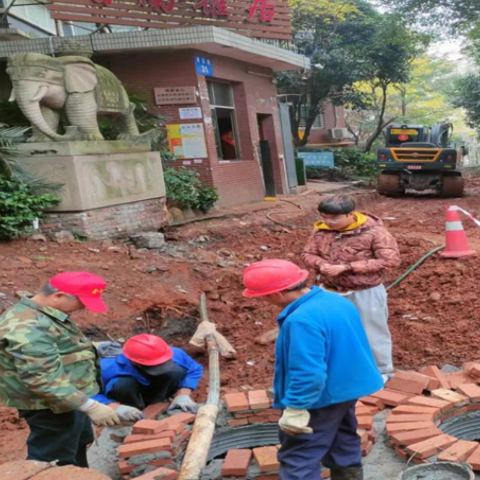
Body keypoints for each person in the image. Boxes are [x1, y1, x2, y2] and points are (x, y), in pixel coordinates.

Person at [243, 259, 383, 480]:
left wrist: (296, 408)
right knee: (342, 439)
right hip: (346, 388)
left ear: (276, 294)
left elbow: (308, 372)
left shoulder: (300, 320)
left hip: (321, 397)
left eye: (262, 297)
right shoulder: (335, 301)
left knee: (299, 456)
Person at [0, 272, 142, 468]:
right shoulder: (29, 326)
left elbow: (54, 349)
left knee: (77, 445)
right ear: (58, 295)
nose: (83, 308)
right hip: (50, 405)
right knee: (53, 459)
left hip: (70, 398)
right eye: (81, 302)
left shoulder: (46, 314)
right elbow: (43, 380)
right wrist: (91, 406)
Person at [302, 195, 400, 380]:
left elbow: (390, 260)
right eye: (323, 217)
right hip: (329, 290)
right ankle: (340, 370)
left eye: (334, 218)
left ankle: (382, 371)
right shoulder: (320, 231)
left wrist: (347, 268)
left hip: (365, 290)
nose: (328, 222)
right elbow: (307, 253)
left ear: (350, 215)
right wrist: (320, 264)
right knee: (332, 331)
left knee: (372, 330)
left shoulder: (374, 232)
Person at [93, 333, 203, 413]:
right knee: (122, 385)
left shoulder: (173, 353)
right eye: (153, 366)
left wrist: (183, 393)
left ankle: (158, 403)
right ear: (134, 362)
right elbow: (87, 394)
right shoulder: (107, 367)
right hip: (127, 396)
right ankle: (134, 411)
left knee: (175, 371)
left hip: (155, 389)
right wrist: (113, 406)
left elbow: (195, 369)